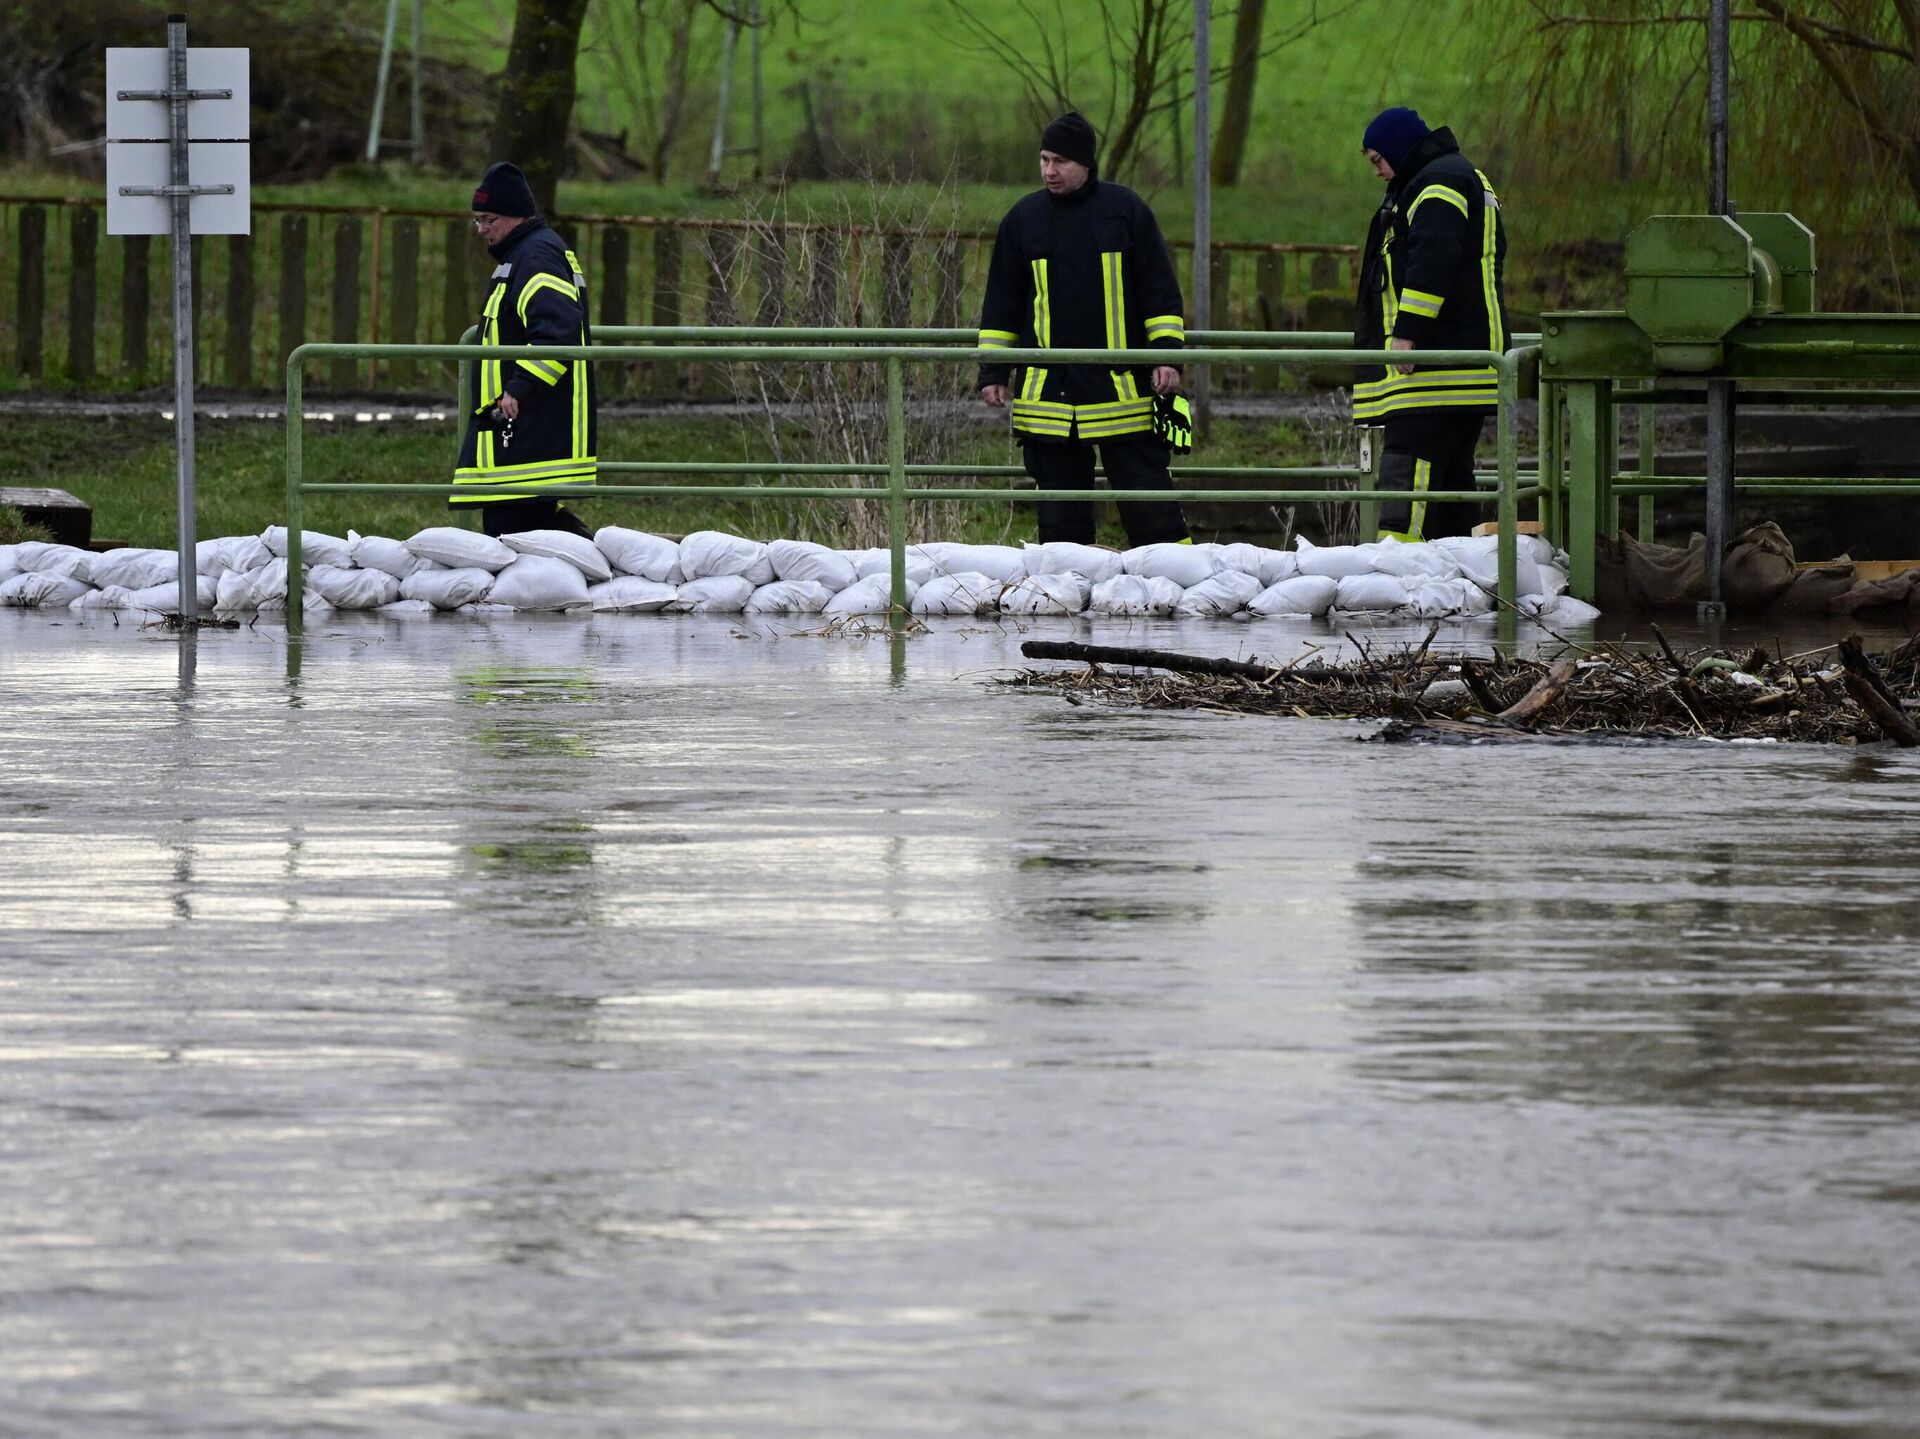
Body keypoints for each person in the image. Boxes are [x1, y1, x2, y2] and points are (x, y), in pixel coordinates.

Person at [976, 113, 1191, 547]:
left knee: (1153, 514)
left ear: (1087, 163)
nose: (1049, 171)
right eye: (1043, 159)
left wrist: (1168, 354)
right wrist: (993, 371)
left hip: (1122, 394)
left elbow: (1158, 289)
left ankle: (1183, 598)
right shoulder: (1023, 219)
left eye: (1060, 161)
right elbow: (1003, 301)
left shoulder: (1126, 210)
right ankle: (1067, 607)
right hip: (1048, 401)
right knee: (1061, 528)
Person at [1351, 107, 1509, 543]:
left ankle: (1397, 573)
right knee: (1451, 481)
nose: (1378, 172)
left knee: (1408, 462)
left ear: (1399, 148)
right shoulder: (1452, 176)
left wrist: (1408, 333)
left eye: (1378, 160)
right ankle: (1461, 572)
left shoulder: (1436, 183)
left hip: (1437, 365)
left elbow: (1432, 258)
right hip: (1462, 361)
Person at [454, 162, 597, 539]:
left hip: (529, 425)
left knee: (511, 534)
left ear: (516, 216)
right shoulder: (525, 254)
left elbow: (556, 332)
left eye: (488, 219)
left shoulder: (535, 257)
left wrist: (518, 388)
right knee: (528, 524)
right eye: (477, 221)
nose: (482, 230)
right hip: (526, 428)